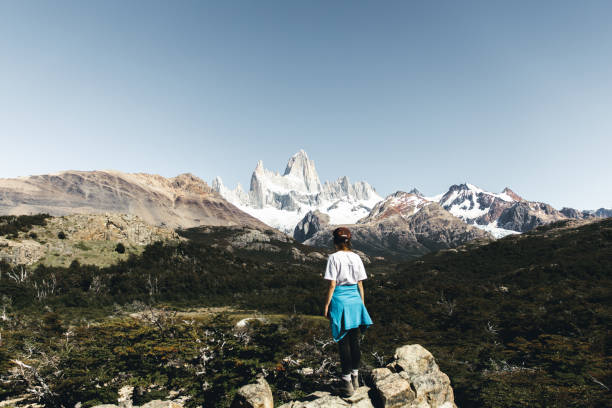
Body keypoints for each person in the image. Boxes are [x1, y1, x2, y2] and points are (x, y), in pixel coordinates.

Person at [323, 227, 373, 398]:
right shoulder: (357, 257)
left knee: (343, 342)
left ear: (335, 241)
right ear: (349, 241)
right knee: (354, 340)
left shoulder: (333, 258)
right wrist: (362, 304)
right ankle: (355, 378)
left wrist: (327, 304)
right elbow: (360, 284)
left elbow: (332, 284)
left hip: (340, 300)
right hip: (355, 300)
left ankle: (346, 383)